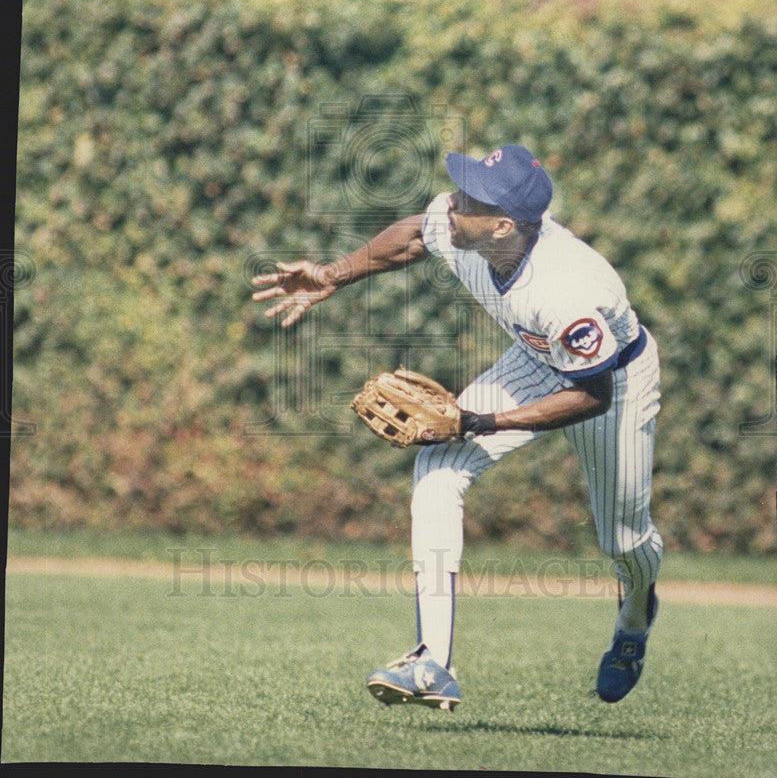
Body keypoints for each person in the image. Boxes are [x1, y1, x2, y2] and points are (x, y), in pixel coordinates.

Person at [252, 144, 662, 709]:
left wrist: (477, 421)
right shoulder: (464, 227)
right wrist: (333, 274)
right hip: (536, 359)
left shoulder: (570, 291)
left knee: (624, 539)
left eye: (469, 198)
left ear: (501, 225)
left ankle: (637, 613)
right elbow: (417, 234)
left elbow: (592, 395)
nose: (452, 202)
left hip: (613, 380)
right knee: (438, 466)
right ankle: (432, 663)